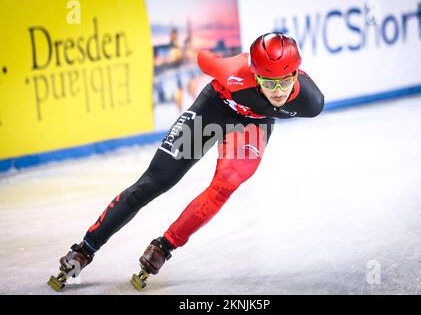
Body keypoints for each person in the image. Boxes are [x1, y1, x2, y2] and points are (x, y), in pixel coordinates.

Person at [47, 32, 325, 291]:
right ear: (254, 74)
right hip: (215, 108)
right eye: (268, 82)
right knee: (154, 182)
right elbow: (204, 57)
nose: (278, 91)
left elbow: (280, 97)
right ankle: (85, 248)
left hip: (252, 125)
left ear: (296, 73)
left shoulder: (311, 102)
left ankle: (164, 246)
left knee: (227, 183)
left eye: (285, 81)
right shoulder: (233, 72)